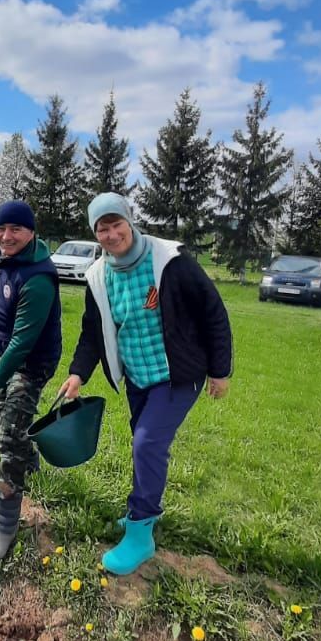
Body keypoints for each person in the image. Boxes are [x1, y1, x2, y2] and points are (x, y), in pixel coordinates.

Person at [58, 193, 232, 576]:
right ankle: (142, 513)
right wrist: (77, 373)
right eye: (101, 228)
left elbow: (213, 311)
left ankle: (140, 532)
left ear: (130, 221)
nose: (110, 234)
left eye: (116, 223)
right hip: (137, 376)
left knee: (147, 442)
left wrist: (221, 371)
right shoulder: (99, 275)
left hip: (177, 374)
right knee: (144, 443)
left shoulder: (170, 262)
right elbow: (92, 332)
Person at [0, 199, 62, 564]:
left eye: (16, 230)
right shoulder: (0, 256)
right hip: (12, 353)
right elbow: (5, 280)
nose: (6, 236)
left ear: (32, 233)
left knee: (7, 431)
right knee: (12, 422)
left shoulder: (39, 276)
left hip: (32, 361)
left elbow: (24, 342)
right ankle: (27, 454)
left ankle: (3, 526)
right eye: (1, 229)